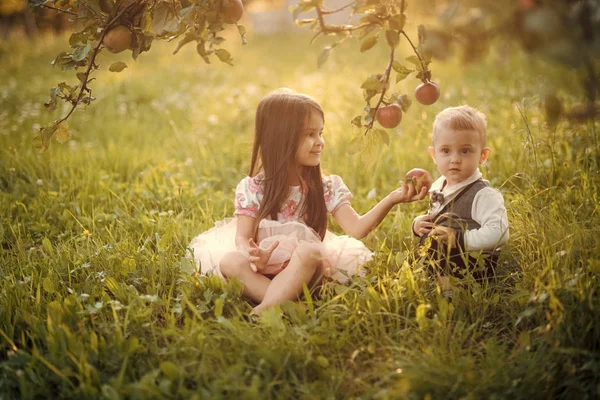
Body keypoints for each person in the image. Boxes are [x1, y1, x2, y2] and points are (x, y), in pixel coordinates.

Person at [189, 88, 427, 315]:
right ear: (281, 139)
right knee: (230, 260)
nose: (320, 141)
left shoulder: (326, 187)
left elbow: (357, 229)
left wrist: (393, 198)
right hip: (262, 268)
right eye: (310, 134)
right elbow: (242, 237)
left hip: (305, 270)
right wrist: (251, 253)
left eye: (321, 133)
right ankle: (286, 305)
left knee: (311, 251)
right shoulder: (254, 188)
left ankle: (265, 307)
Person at [412, 105, 509, 298]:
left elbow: (500, 233)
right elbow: (438, 221)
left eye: (465, 151)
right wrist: (419, 225)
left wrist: (459, 239)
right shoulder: (438, 187)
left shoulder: (483, 195)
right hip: (446, 260)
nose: (455, 159)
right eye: (446, 151)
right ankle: (430, 280)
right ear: (434, 154)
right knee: (432, 244)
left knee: (440, 246)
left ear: (483, 156)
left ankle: (449, 294)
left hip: (473, 265)